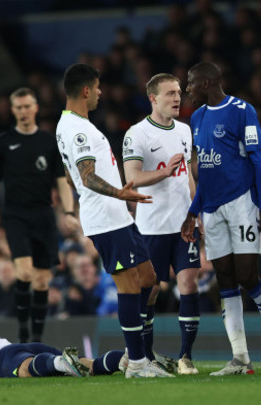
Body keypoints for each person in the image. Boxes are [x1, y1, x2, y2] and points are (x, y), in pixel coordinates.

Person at [181, 62, 261, 375]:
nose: (186, 89)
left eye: (191, 83)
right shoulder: (197, 117)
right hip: (211, 208)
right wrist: (194, 211)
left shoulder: (242, 110)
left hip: (241, 202)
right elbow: (204, 169)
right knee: (226, 280)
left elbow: (259, 160)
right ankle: (240, 357)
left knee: (247, 275)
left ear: (206, 83)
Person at [56, 63, 172, 378]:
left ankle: (143, 354)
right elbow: (86, 175)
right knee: (130, 285)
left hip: (114, 216)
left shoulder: (67, 126)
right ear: (85, 90)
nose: (100, 93)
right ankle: (136, 362)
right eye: (97, 88)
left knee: (150, 281)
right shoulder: (78, 129)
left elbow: (70, 177)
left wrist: (83, 194)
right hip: (106, 218)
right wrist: (118, 194)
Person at [0, 87, 80, 343]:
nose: (23, 111)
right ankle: (23, 333)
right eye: (18, 107)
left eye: (27, 106)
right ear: (13, 110)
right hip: (15, 215)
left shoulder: (48, 142)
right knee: (23, 273)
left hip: (43, 215)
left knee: (42, 282)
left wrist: (68, 212)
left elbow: (61, 180)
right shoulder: (2, 142)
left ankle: (36, 338)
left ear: (35, 108)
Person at [122, 73, 201, 374]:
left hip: (183, 224)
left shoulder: (184, 130)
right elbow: (132, 179)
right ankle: (145, 356)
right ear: (153, 98)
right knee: (150, 290)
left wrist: (196, 212)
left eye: (179, 92)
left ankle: (186, 357)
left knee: (188, 283)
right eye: (169, 93)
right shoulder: (137, 133)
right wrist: (164, 173)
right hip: (152, 227)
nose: (177, 98)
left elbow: (189, 176)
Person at [0, 333, 125, 379]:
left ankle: (62, 363)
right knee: (90, 365)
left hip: (1, 358)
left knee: (26, 369)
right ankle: (129, 360)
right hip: (18, 347)